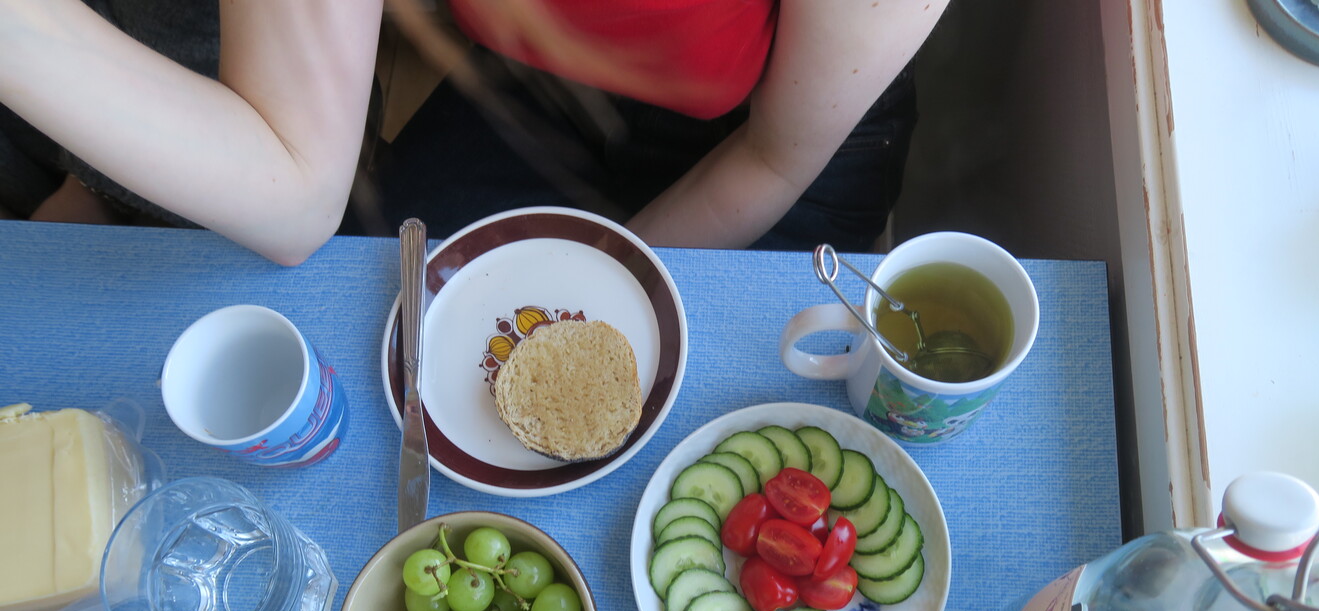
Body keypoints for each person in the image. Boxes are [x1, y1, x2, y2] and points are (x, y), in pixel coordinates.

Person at [0, 0, 950, 265]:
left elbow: (773, 159)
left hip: (774, 146)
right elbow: (291, 186)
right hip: (544, 100)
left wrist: (588, 299)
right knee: (399, 359)